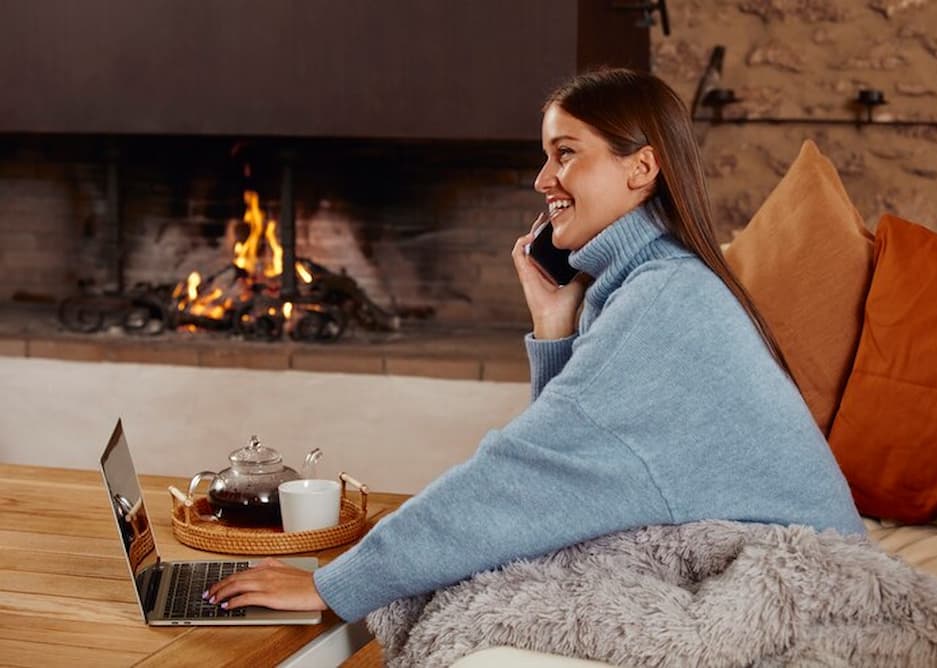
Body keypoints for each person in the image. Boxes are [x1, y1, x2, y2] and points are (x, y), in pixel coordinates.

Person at [206, 68, 864, 620]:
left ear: (641, 169)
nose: (541, 179)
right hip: (748, 556)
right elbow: (579, 466)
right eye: (546, 155)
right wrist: (555, 329)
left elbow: (526, 472)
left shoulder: (666, 299)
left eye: (566, 153)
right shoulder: (645, 283)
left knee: (459, 604)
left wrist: (336, 586)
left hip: (797, 589)